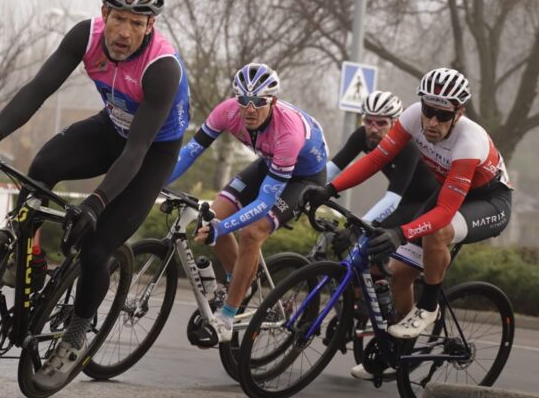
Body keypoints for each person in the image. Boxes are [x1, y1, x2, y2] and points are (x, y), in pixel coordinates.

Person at [0, 0, 190, 389]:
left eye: (136, 22)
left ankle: (76, 335)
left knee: (96, 248)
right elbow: (38, 89)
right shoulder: (86, 36)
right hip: (110, 127)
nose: (124, 32)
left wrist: (97, 201)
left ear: (151, 25)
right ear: (104, 13)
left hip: (150, 152)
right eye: (118, 18)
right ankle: (29, 259)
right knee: (42, 168)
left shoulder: (161, 68)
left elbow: (137, 150)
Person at [302, 68, 512, 379]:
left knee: (437, 232)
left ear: (459, 113)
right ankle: (399, 350)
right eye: (429, 111)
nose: (432, 122)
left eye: (442, 115)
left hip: (488, 201)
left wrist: (401, 232)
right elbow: (375, 161)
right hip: (449, 192)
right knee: (399, 274)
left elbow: (443, 213)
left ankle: (428, 307)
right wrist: (330, 189)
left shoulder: (471, 141)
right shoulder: (412, 117)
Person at [167, 62, 328, 343]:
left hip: (304, 178)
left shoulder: (288, 132)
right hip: (270, 163)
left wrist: (221, 229)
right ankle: (242, 282)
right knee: (210, 215)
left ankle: (227, 317)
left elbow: (266, 201)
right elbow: (191, 150)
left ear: (273, 101)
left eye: (258, 101)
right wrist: (155, 181)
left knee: (251, 233)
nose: (250, 108)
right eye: (244, 100)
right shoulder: (228, 112)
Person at [327, 90, 438, 252]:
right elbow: (331, 169)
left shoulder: (407, 146)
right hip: (404, 200)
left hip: (427, 203)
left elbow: (392, 200)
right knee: (371, 249)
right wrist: (309, 188)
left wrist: (358, 228)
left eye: (381, 123)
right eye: (368, 121)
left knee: (375, 239)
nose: (373, 129)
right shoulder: (362, 136)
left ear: (395, 123)